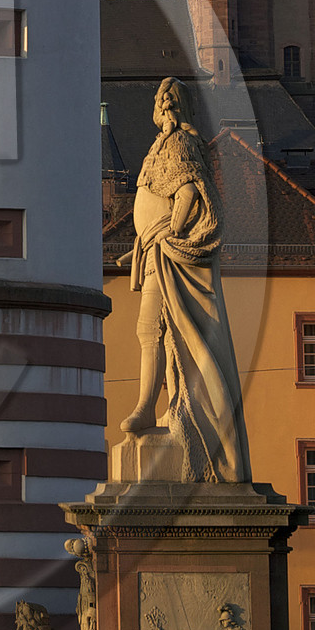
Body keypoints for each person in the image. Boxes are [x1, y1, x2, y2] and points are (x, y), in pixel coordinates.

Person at [119, 77, 251, 484]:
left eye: (170, 99)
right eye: (160, 99)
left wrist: (172, 232)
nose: (164, 104)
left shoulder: (182, 143)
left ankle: (147, 407)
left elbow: (191, 189)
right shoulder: (157, 147)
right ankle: (161, 406)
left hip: (170, 251)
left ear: (180, 106)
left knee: (160, 329)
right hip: (154, 249)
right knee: (154, 333)